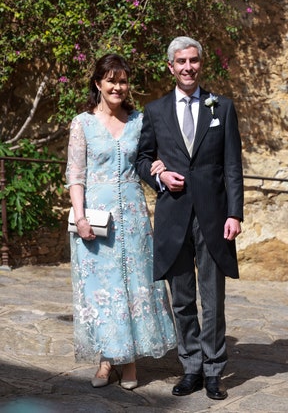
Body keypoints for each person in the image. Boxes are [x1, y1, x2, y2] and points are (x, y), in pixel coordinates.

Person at [136, 36, 243, 400]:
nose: (187, 67)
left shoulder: (222, 107)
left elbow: (232, 166)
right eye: (180, 61)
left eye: (193, 60)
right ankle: (192, 368)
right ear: (170, 67)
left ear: (201, 64)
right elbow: (141, 159)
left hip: (214, 220)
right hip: (173, 218)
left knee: (213, 300)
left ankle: (214, 370)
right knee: (181, 300)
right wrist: (160, 177)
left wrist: (235, 213)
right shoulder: (154, 111)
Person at [65, 53, 176, 390]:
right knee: (102, 292)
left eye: (123, 81)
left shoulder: (140, 121)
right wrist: (80, 217)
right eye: (111, 80)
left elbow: (148, 160)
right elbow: (75, 175)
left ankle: (128, 364)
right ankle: (105, 361)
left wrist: (157, 166)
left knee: (132, 288)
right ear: (98, 83)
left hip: (133, 219)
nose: (118, 87)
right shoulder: (81, 123)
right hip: (95, 220)